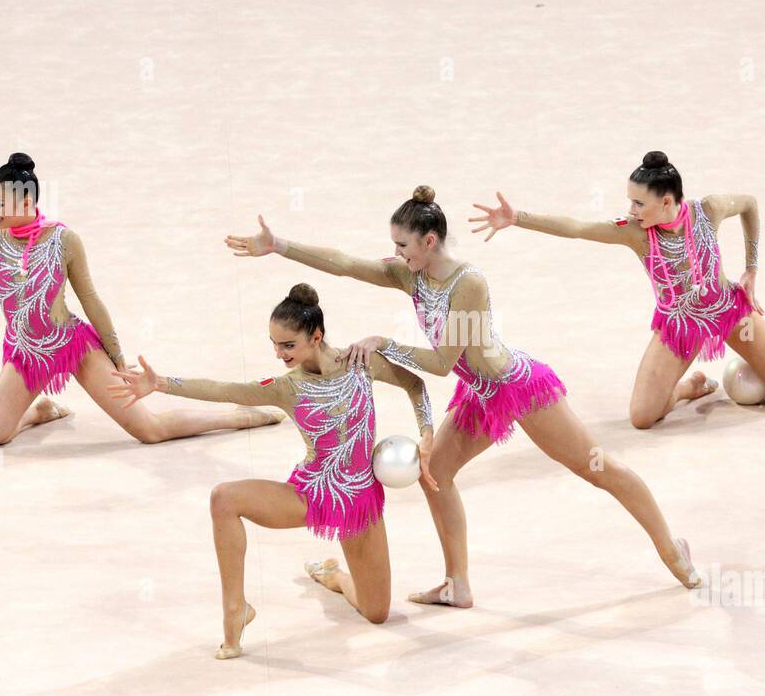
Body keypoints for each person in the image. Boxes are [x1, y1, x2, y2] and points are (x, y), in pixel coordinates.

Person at [226, 186, 701, 608]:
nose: (395, 253)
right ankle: (458, 584)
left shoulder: (468, 283)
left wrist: (384, 342)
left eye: (402, 245)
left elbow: (440, 364)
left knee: (595, 466)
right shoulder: (411, 274)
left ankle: (669, 546)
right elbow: (348, 265)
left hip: (517, 387)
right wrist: (280, 246)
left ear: (429, 242)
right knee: (435, 473)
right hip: (479, 392)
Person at [0, 152, 279, 447]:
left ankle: (237, 416)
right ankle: (37, 408)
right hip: (26, 354)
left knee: (150, 430)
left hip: (72, 346)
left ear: (24, 199)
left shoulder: (63, 240)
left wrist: (118, 359)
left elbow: (92, 299)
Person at [109, 283, 437, 658]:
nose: (279, 354)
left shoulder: (361, 363)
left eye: (287, 345)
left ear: (316, 336)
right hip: (313, 493)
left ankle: (332, 576)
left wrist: (426, 438)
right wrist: (163, 383)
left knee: (377, 613)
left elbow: (415, 385)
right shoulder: (288, 388)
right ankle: (236, 609)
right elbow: (226, 390)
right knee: (224, 498)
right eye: (275, 345)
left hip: (361, 500)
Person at [471, 151, 765, 428]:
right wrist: (518, 218)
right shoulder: (634, 232)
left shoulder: (709, 209)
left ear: (665, 202)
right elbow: (577, 228)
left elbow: (749, 203)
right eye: (630, 202)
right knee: (642, 416)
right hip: (680, 328)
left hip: (729, 312)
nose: (631, 210)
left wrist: (751, 268)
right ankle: (686, 390)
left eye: (638, 203)